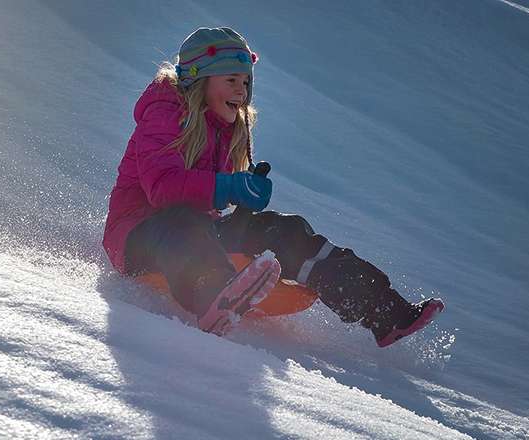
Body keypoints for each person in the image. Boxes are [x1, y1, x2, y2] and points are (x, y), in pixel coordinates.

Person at [103, 27, 442, 347]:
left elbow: (208, 202)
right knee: (182, 221)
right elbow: (162, 188)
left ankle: (386, 313)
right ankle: (211, 296)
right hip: (140, 235)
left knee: (285, 230)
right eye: (231, 79)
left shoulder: (225, 127)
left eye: (246, 82)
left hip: (195, 235)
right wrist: (228, 186)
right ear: (198, 81)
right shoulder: (164, 113)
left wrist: (244, 198)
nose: (242, 90)